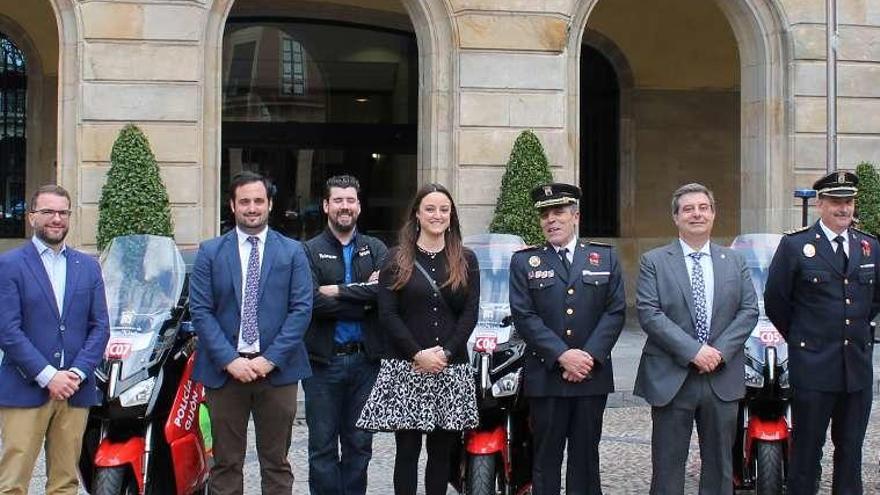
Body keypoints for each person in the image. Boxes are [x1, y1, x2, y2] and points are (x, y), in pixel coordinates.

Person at [189, 171, 313, 495]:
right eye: (244, 201)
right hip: (225, 372)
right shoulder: (210, 252)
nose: (252, 208)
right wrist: (230, 360)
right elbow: (200, 311)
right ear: (232, 205)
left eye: (259, 201)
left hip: (277, 372)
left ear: (270, 204)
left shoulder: (293, 252)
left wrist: (269, 359)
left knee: (276, 464)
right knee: (226, 464)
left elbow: (301, 310)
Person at [634, 182, 758, 495]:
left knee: (719, 467)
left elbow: (748, 311)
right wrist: (694, 351)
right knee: (667, 466)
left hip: (721, 375)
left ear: (714, 215)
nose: (696, 214)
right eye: (688, 209)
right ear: (676, 218)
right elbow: (649, 313)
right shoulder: (654, 261)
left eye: (703, 207)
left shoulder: (735, 261)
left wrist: (718, 353)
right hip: (672, 377)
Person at [357, 183, 479, 495]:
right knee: (407, 453)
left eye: (444, 209)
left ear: (451, 216)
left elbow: (469, 314)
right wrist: (417, 354)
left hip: (449, 369)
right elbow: (388, 315)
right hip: (406, 367)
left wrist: (446, 353)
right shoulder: (396, 259)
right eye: (430, 209)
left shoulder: (466, 259)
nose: (437, 215)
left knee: (441, 453)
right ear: (417, 214)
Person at [764, 171, 878, 494]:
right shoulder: (796, 246)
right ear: (820, 204)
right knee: (806, 455)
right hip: (813, 369)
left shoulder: (869, 247)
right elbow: (776, 300)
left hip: (855, 370)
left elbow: (873, 302)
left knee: (851, 453)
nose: (844, 209)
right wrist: (806, 338)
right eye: (836, 202)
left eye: (849, 201)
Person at [509, 183, 626, 495]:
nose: (551, 220)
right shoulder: (524, 262)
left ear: (576, 216)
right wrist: (563, 355)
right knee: (545, 458)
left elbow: (614, 312)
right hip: (547, 376)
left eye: (559, 212)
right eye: (545, 214)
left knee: (586, 457)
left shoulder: (605, 258)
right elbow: (524, 316)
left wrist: (587, 358)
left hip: (591, 375)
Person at [0, 184, 110, 495]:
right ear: (32, 216)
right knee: (12, 483)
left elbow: (100, 326)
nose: (56, 219)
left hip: (74, 392)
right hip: (24, 388)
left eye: (63, 212)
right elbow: (7, 330)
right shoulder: (9, 265)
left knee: (65, 483)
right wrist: (49, 376)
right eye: (48, 211)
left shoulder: (88, 266)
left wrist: (75, 374)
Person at [303, 175, 388, 495]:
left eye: (350, 200)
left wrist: (337, 292)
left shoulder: (376, 248)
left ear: (359, 206)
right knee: (322, 449)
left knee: (359, 446)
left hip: (366, 363)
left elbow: (383, 296)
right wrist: (362, 298)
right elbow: (311, 302)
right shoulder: (308, 251)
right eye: (338, 200)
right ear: (326, 206)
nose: (344, 206)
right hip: (322, 365)